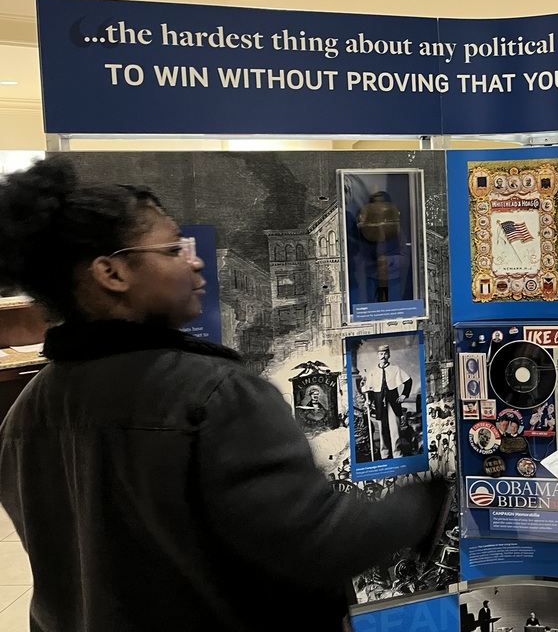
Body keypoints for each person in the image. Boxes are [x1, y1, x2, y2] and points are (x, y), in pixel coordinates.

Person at [0, 157, 447, 631]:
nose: (194, 261)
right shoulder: (215, 395)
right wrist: (423, 502)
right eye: (173, 250)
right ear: (112, 273)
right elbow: (319, 543)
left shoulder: (25, 414)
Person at [361, 342, 416, 459]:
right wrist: (369, 401)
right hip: (379, 404)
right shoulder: (373, 372)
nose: (383, 356)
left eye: (385, 353)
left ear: (389, 355)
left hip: (393, 404)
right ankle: (384, 454)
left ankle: (397, 454)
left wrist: (404, 395)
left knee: (395, 430)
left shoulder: (395, 369)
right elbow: (370, 389)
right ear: (378, 355)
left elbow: (408, 381)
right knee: (382, 430)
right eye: (381, 354)